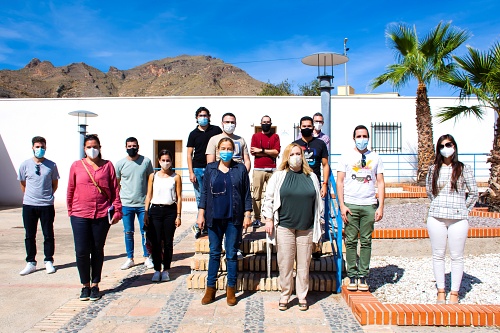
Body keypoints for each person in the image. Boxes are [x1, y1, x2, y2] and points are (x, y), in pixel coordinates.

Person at [261, 143, 323, 311]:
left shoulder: (311, 176)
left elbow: (318, 201)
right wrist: (268, 219)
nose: (296, 157)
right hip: (284, 226)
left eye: (298, 154)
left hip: (306, 227)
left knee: (304, 264)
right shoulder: (279, 176)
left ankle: (302, 296)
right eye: (292, 154)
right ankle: (285, 295)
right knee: (285, 263)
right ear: (287, 157)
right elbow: (269, 198)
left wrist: (320, 221)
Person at [67, 134, 122, 301]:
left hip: (101, 214)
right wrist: (70, 210)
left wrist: (118, 209)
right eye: (89, 146)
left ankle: (96, 284)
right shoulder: (77, 166)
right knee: (82, 251)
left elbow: (115, 189)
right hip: (80, 214)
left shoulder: (107, 166)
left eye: (95, 146)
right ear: (84, 149)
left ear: (100, 147)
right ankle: (85, 285)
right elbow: (70, 188)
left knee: (97, 250)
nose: (92, 149)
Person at [197, 138, 252, 306]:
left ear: (233, 151)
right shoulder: (210, 168)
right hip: (214, 218)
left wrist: (248, 214)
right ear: (218, 149)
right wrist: (201, 214)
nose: (226, 151)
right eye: (223, 148)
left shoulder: (240, 168)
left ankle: (231, 290)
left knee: (231, 254)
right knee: (214, 253)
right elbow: (204, 193)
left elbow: (246, 194)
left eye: (229, 148)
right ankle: (210, 289)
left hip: (233, 218)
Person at [426, 134, 478, 304]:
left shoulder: (464, 169)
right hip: (436, 217)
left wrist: (464, 209)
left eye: (448, 145)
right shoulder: (433, 169)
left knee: (457, 256)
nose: (445, 148)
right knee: (438, 254)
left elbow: (474, 192)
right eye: (442, 146)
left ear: (454, 147)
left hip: (458, 218)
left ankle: (454, 293)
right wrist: (438, 205)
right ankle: (441, 290)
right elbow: (430, 191)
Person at [336, 125, 385, 292]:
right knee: (350, 241)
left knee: (366, 241)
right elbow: (340, 182)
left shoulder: (376, 157)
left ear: (368, 138)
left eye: (364, 136)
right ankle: (352, 275)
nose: (362, 139)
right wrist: (341, 205)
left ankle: (363, 276)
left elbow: (380, 182)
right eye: (359, 136)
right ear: (354, 138)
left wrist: (381, 206)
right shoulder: (345, 157)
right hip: (350, 204)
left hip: (369, 204)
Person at [18, 136, 60, 275]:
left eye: (42, 147)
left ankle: (49, 261)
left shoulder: (51, 165)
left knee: (48, 234)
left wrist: (46, 196)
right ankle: (31, 262)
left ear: (45, 148)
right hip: (29, 205)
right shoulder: (25, 165)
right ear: (32, 147)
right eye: (37, 147)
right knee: (30, 234)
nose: (40, 149)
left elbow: (54, 184)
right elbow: (23, 184)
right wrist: (31, 196)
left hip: (46, 205)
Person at [115, 137, 154, 270]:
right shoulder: (120, 164)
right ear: (125, 147)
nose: (132, 148)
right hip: (126, 204)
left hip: (143, 204)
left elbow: (150, 180)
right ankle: (130, 258)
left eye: (134, 146)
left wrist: (150, 199)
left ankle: (147, 257)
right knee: (128, 232)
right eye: (129, 146)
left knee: (145, 232)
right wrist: (116, 202)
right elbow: (117, 184)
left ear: (138, 146)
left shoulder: (146, 162)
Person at [144, 149, 182, 282]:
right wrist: (146, 212)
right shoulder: (153, 176)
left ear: (171, 161)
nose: (165, 163)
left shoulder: (175, 177)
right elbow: (149, 195)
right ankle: (156, 269)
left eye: (168, 160)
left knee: (167, 242)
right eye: (163, 160)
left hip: (169, 211)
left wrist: (178, 215)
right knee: (155, 242)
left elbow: (179, 196)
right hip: (155, 210)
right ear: (159, 161)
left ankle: (166, 269)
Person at [186, 107, 222, 238]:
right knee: (201, 198)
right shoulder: (193, 134)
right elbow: (189, 154)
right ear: (196, 118)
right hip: (198, 170)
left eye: (205, 115)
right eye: (201, 115)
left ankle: (207, 225)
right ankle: (201, 226)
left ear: (209, 117)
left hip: (213, 169)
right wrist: (191, 172)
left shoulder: (216, 130)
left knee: (213, 197)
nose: (203, 117)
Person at [250, 115, 280, 227]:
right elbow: (254, 152)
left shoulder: (275, 136)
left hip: (272, 170)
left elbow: (276, 152)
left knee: (273, 195)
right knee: (256, 195)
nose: (266, 124)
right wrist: (269, 152)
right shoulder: (255, 136)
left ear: (271, 123)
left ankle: (271, 217)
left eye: (268, 122)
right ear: (261, 123)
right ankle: (257, 218)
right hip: (258, 169)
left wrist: (261, 150)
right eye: (264, 122)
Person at [293, 116, 330, 198]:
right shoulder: (294, 144)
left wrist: (325, 184)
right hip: (297, 182)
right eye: (304, 126)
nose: (306, 128)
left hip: (314, 182)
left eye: (309, 126)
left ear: (313, 127)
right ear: (300, 128)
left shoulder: (320, 144)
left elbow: (325, 165)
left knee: (315, 209)